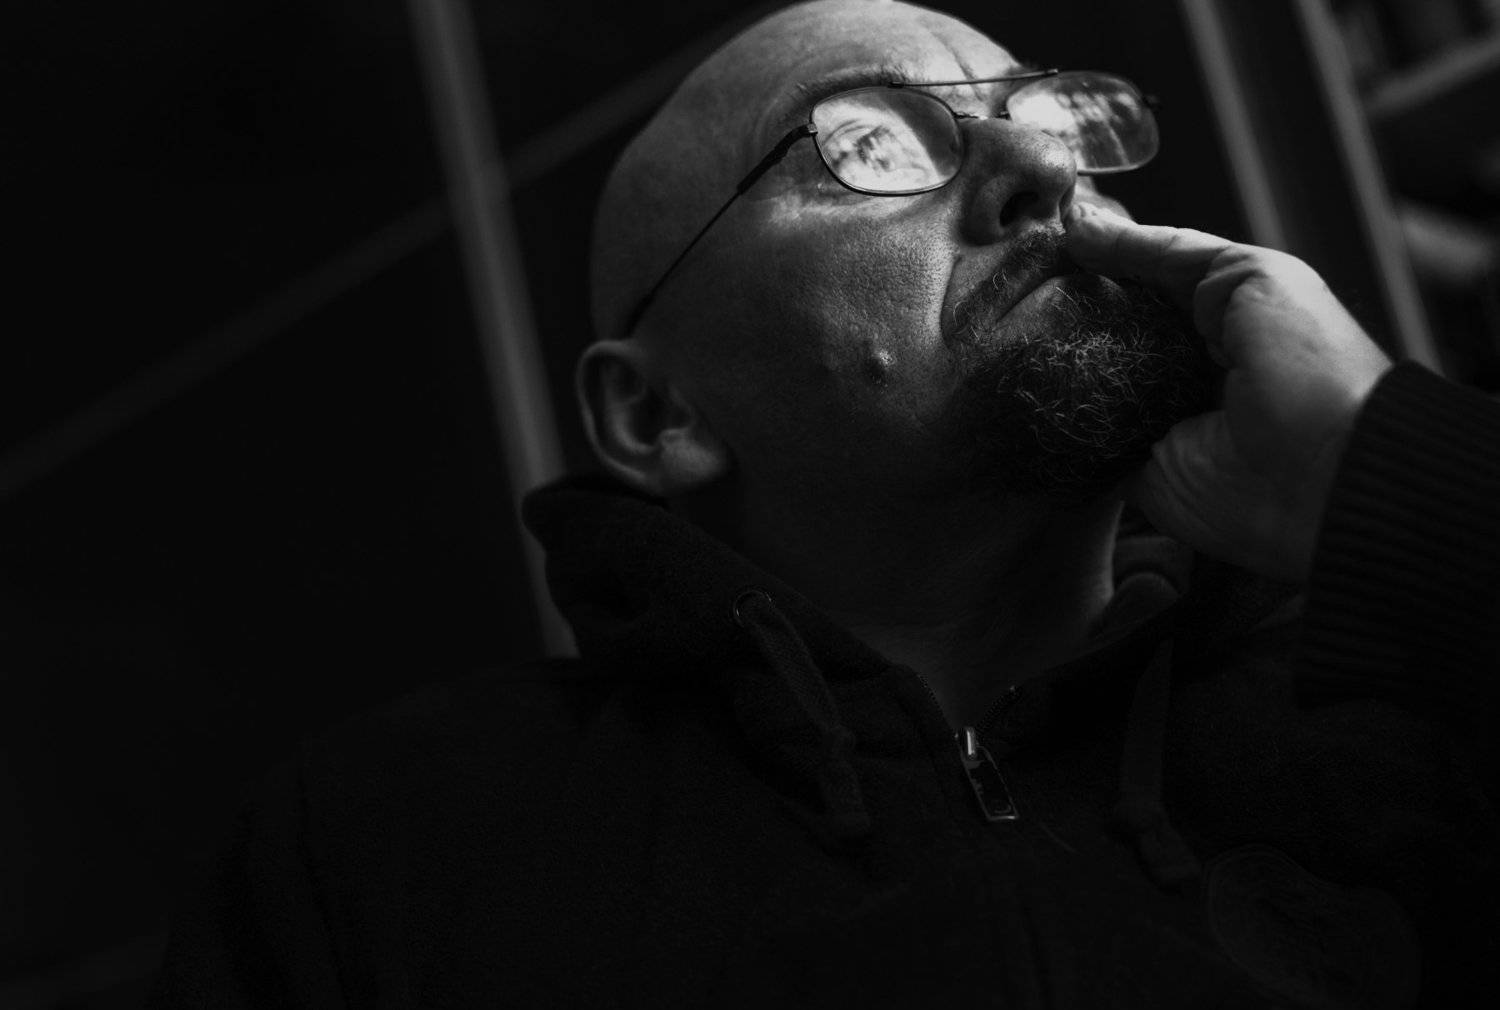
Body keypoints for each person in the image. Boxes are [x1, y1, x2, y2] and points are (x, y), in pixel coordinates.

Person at [152, 1, 1500, 1006]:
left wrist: (1381, 475)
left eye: (1050, 123)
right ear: (660, 414)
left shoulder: (1414, 702)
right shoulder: (398, 854)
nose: (1039, 170)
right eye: (868, 141)